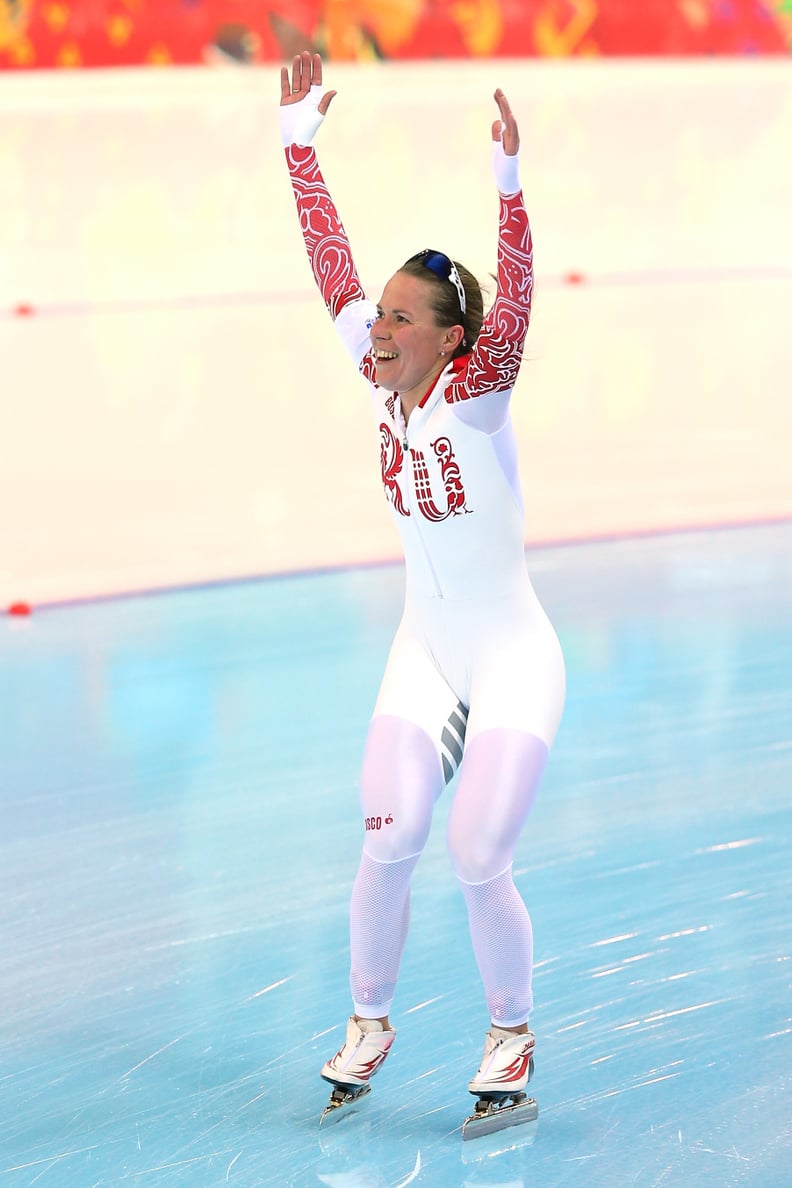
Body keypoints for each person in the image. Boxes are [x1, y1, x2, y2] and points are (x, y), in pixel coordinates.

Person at [279, 51, 565, 1109]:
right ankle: (367, 1019)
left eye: (404, 321)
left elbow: (518, 306)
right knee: (389, 834)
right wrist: (297, 146)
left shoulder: (476, 401)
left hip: (514, 660)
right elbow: (333, 267)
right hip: (425, 651)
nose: (378, 329)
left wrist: (508, 190)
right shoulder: (382, 374)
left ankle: (510, 1038)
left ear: (453, 344)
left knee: (477, 850)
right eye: (381, 316)